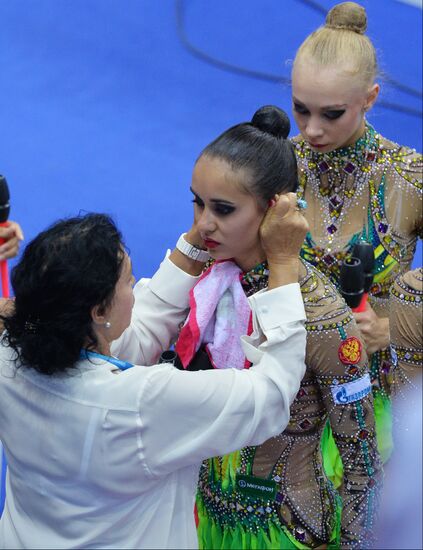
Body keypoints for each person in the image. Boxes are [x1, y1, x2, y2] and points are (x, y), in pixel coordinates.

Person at [0, 207, 308, 550]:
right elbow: (270, 396)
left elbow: (137, 331)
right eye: (129, 282)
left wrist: (193, 244)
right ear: (99, 312)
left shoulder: (9, 357)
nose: (135, 288)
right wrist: (282, 265)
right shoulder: (141, 402)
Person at [174, 106, 381, 549]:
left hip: (288, 531)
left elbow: (362, 460)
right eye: (198, 202)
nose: (203, 224)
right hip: (203, 514)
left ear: (274, 209)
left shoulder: (321, 314)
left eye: (223, 209)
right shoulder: (207, 287)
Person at [290, 1, 422, 467]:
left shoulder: (409, 177)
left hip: (376, 391)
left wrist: (396, 328)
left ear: (370, 98)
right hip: (289, 384)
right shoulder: (278, 165)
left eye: (332, 114)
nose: (311, 129)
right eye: (300, 109)